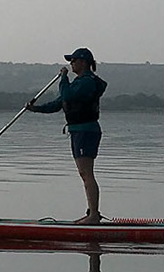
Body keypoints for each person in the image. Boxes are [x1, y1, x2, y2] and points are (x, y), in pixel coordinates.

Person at [27, 46, 106, 224]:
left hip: (86, 130)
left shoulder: (87, 82)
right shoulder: (77, 82)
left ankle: (93, 215)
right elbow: (59, 103)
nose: (71, 63)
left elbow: (67, 95)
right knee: (83, 173)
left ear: (83, 62)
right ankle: (91, 213)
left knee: (86, 173)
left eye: (74, 60)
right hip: (77, 131)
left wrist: (63, 77)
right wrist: (35, 109)